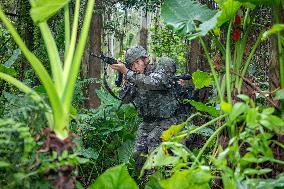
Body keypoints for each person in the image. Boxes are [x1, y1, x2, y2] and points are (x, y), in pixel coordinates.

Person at [110, 45, 186, 173]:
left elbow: (153, 83)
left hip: (169, 119)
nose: (134, 67)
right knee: (137, 153)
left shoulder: (160, 69)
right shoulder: (135, 76)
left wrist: (128, 73)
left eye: (136, 63)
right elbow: (125, 99)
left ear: (144, 59)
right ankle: (143, 181)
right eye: (132, 65)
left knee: (153, 141)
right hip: (148, 121)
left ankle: (156, 179)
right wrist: (126, 81)